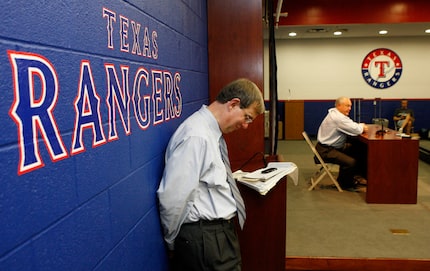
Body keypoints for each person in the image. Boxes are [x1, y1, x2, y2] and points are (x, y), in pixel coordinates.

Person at [157, 78, 265, 271]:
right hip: (204, 238)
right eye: (247, 117)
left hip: (217, 235)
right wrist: (173, 242)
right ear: (233, 104)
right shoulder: (197, 136)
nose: (246, 125)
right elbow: (173, 197)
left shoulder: (210, 133)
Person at [315, 97, 368, 190]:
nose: (350, 108)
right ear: (339, 106)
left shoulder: (334, 113)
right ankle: (345, 184)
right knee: (351, 162)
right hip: (326, 151)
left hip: (327, 147)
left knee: (358, 150)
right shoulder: (338, 118)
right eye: (347, 106)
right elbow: (357, 130)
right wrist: (362, 126)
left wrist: (358, 126)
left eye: (350, 106)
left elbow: (351, 125)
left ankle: (356, 177)